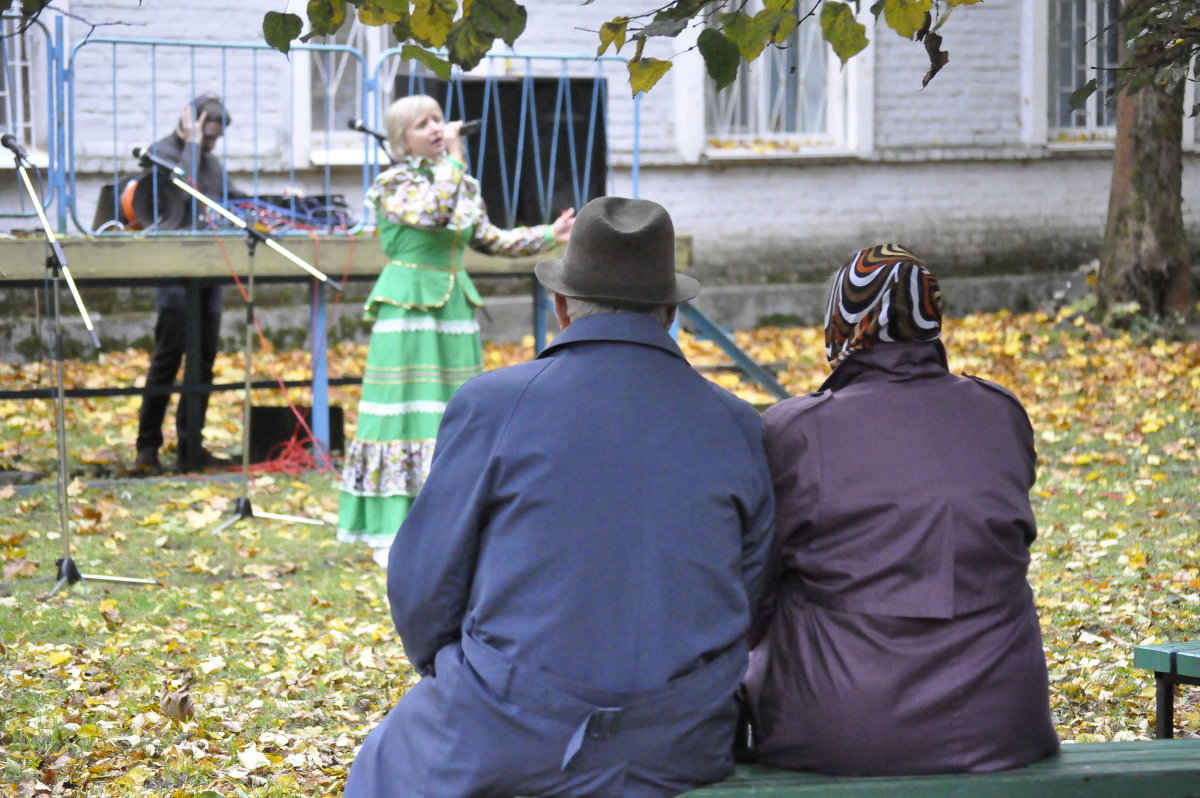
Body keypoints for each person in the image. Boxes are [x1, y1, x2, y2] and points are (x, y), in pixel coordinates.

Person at [341, 196, 776, 798]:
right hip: (680, 739)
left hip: (508, 726)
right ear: (670, 312)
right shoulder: (739, 424)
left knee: (381, 769)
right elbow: (748, 595)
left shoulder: (492, 405)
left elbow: (422, 590)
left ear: (562, 306)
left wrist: (478, 681)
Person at [744, 244, 1060, 775]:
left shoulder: (795, 432)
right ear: (931, 320)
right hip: (1006, 722)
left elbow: (753, 593)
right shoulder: (1000, 414)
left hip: (846, 727)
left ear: (842, 324)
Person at [336, 94, 574, 567]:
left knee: (455, 413)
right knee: (404, 411)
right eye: (422, 124)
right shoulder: (393, 183)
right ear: (402, 138)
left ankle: (449, 523)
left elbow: (489, 239)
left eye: (438, 120)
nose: (436, 129)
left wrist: (550, 234)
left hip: (453, 310)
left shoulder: (459, 183)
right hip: (407, 305)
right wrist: (456, 162)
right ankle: (392, 530)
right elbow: (433, 212)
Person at [133, 94, 242, 473]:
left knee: (202, 364)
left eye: (214, 140)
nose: (212, 146)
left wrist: (280, 202)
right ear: (189, 124)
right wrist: (193, 146)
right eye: (207, 137)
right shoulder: (160, 153)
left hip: (208, 269)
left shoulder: (209, 159)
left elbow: (230, 199)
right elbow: (180, 192)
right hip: (173, 273)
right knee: (167, 359)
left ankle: (190, 448)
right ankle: (147, 448)